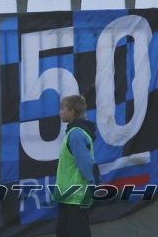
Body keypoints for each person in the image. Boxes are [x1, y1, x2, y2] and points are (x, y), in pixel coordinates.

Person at [53, 94, 99, 237]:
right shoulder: (73, 133)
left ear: (72, 111)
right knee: (63, 232)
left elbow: (85, 163)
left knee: (78, 232)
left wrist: (92, 185)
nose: (60, 112)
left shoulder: (76, 134)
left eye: (63, 108)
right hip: (68, 194)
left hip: (76, 194)